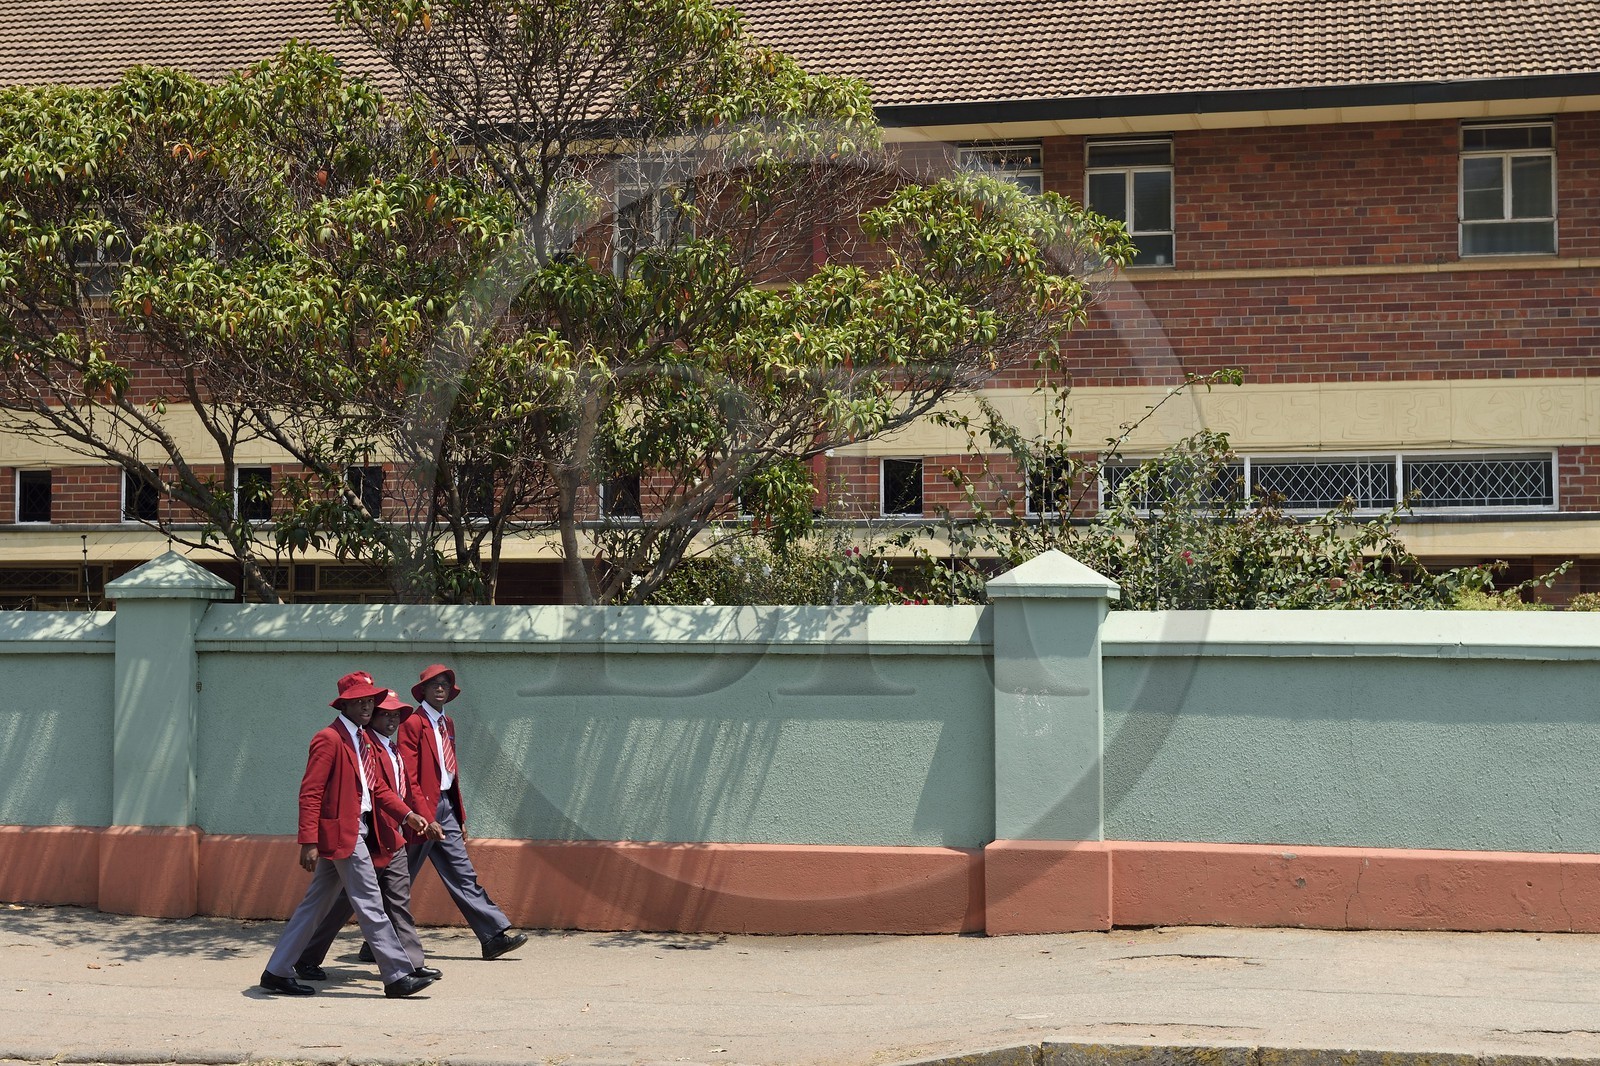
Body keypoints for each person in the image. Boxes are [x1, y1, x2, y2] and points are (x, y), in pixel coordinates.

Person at [259, 671, 445, 998]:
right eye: (358, 701)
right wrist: (308, 842)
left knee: (313, 907)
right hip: (343, 834)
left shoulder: (361, 740)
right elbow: (310, 793)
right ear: (343, 704)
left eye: (369, 700)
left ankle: (276, 971)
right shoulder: (328, 739)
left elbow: (377, 788)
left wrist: (408, 815)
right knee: (370, 902)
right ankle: (398, 975)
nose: (365, 706)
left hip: (352, 830)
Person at [400, 663, 528, 960]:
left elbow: (450, 772)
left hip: (446, 808)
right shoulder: (412, 723)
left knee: (463, 874)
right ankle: (376, 940)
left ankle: (492, 936)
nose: (441, 688)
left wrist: (459, 815)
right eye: (435, 684)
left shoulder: (448, 723)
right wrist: (424, 816)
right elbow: (409, 775)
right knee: (399, 877)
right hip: (420, 813)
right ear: (423, 691)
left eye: (445, 684)